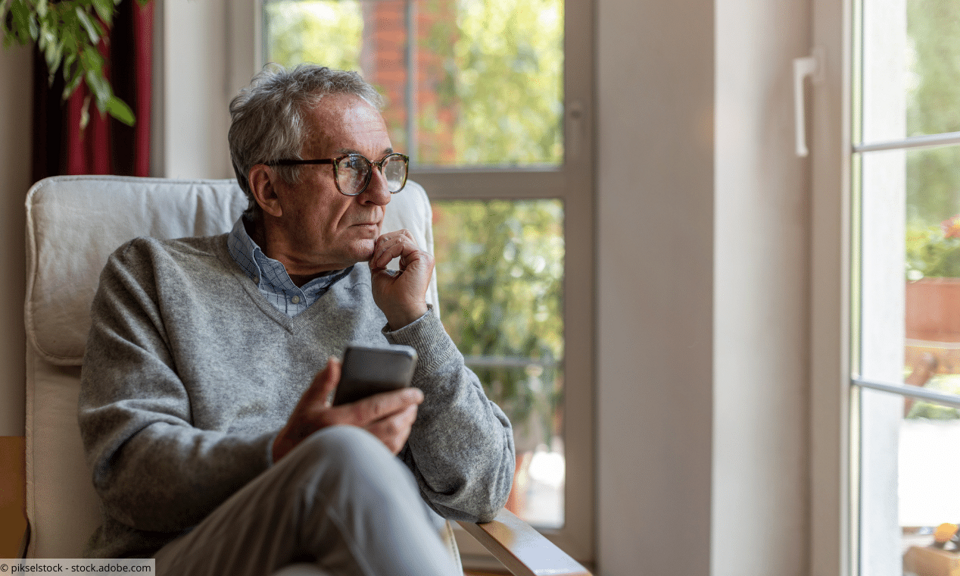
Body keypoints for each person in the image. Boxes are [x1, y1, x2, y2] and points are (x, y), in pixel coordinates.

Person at [77, 64, 516, 576]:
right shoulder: (152, 275)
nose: (380, 194)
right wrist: (284, 451)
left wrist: (413, 320)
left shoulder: (394, 300)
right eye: (352, 167)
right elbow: (129, 473)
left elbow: (483, 491)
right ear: (269, 190)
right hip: (189, 557)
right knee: (344, 455)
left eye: (387, 166)